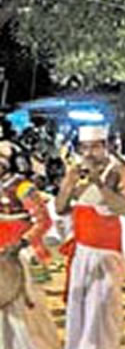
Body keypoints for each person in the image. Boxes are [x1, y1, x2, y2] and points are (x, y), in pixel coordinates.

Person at [55, 124, 125, 349]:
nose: (89, 153)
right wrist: (69, 183)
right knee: (79, 305)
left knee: (103, 305)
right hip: (82, 248)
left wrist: (98, 181)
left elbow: (122, 207)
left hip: (107, 248)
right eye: (84, 148)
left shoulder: (119, 170)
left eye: (94, 147)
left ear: (106, 146)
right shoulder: (75, 170)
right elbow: (60, 208)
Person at [0, 140, 58, 349]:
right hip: (2, 257)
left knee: (30, 308)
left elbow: (43, 222)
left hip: (25, 254)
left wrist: (20, 244)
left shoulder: (24, 187)